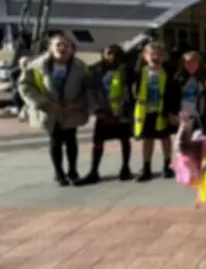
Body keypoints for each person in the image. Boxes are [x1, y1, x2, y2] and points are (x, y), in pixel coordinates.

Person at [18, 34, 89, 186]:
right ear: (50, 48)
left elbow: (87, 89)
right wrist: (43, 103)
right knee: (55, 140)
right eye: (58, 45)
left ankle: (73, 172)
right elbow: (25, 86)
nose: (62, 48)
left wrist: (76, 104)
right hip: (49, 109)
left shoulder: (80, 67)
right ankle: (59, 173)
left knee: (71, 140)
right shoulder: (37, 65)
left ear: (72, 49)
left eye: (66, 45)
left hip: (71, 109)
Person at [78, 45, 133, 185]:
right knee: (98, 142)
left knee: (125, 140)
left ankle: (125, 168)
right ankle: (94, 171)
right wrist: (97, 109)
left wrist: (125, 107)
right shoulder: (94, 71)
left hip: (121, 112)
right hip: (103, 112)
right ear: (102, 54)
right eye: (109, 53)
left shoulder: (126, 70)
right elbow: (89, 91)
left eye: (116, 54)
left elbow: (131, 89)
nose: (112, 57)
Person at [131, 42, 180, 182]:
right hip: (146, 112)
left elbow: (174, 93)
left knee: (165, 138)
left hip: (163, 111)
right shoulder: (140, 72)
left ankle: (167, 165)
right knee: (148, 139)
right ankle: (146, 168)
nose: (155, 57)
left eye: (159, 54)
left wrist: (172, 112)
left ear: (164, 57)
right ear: (145, 56)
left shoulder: (168, 73)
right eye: (151, 54)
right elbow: (133, 92)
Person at [174, 51, 206, 135]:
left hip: (200, 112)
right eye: (188, 62)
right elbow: (173, 96)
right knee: (184, 139)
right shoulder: (178, 78)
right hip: (184, 113)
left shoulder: (205, 78)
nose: (191, 65)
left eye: (194, 62)